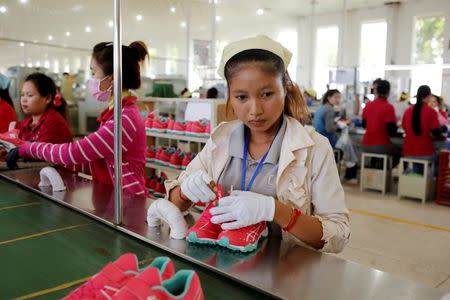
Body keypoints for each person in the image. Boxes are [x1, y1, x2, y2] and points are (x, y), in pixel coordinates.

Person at [165, 36, 350, 253]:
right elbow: (175, 204)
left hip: (283, 275)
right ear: (230, 97)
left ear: (285, 88)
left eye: (266, 94)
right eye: (242, 97)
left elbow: (338, 234)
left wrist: (274, 210)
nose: (255, 110)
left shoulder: (314, 148)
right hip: (220, 263)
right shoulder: (221, 139)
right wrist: (185, 192)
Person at [7, 41, 149, 195]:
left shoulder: (123, 119)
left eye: (94, 73)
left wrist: (28, 148)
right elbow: (98, 162)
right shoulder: (115, 114)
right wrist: (61, 161)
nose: (91, 79)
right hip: (113, 198)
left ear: (112, 79)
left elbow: (73, 153)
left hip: (128, 201)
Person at [16, 72, 72, 144]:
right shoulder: (27, 123)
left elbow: (37, 153)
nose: (23, 100)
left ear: (47, 98)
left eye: (29, 95)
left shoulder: (53, 122)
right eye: (22, 95)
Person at [402, 85, 446, 168]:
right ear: (429, 96)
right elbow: (436, 132)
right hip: (425, 153)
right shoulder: (431, 112)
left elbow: (404, 127)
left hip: (407, 152)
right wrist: (442, 131)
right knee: (440, 156)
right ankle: (433, 179)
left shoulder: (407, 111)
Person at [361, 79, 400, 164]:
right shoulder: (388, 107)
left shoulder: (368, 105)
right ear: (388, 92)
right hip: (381, 144)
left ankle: (374, 167)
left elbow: (364, 125)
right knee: (398, 150)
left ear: (376, 91)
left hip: (366, 144)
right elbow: (392, 130)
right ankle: (385, 172)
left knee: (378, 153)